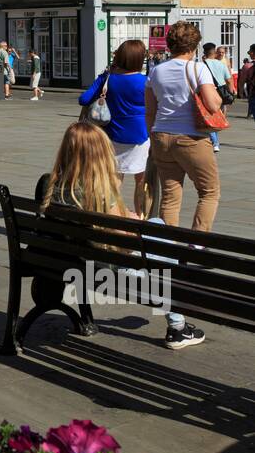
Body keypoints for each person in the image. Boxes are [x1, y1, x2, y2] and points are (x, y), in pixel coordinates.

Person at [38, 121, 203, 350]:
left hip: (71, 261)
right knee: (162, 242)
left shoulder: (50, 184)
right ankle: (177, 326)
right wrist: (134, 225)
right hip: (107, 270)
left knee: (157, 226)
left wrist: (128, 219)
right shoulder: (99, 191)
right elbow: (125, 244)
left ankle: (177, 313)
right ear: (101, 153)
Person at [145, 21, 222, 237]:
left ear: (170, 45)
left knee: (170, 196)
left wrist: (152, 138)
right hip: (191, 137)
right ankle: (196, 243)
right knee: (209, 192)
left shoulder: (156, 71)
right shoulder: (198, 68)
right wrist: (218, 95)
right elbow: (213, 104)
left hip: (161, 135)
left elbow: (150, 111)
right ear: (194, 46)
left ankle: (167, 244)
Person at [79, 39, 149, 216]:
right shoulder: (145, 81)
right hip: (139, 136)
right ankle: (142, 219)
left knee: (114, 181)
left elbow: (84, 99)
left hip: (112, 135)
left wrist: (103, 78)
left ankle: (110, 216)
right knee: (142, 182)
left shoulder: (108, 78)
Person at [201, 43, 232, 151]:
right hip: (220, 94)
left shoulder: (202, 65)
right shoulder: (221, 65)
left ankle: (214, 142)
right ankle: (214, 141)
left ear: (204, 52)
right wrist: (231, 93)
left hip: (207, 93)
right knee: (217, 116)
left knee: (210, 117)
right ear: (214, 52)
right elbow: (229, 80)